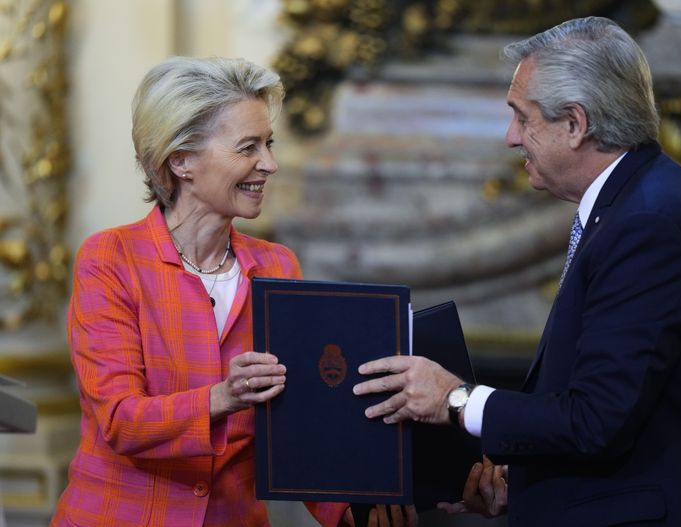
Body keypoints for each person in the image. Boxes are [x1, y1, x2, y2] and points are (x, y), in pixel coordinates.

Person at [354, 16, 681, 526]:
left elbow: (597, 420)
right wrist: (525, 481)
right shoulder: (635, 203)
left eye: (522, 117)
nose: (511, 137)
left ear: (575, 124)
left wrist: (455, 399)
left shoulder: (648, 224)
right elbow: (614, 408)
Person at [51, 56, 413, 527]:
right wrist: (225, 397)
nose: (270, 163)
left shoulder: (278, 266)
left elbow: (293, 426)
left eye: (269, 144)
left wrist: (353, 511)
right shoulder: (110, 259)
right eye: (248, 147)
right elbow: (121, 420)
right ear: (180, 160)